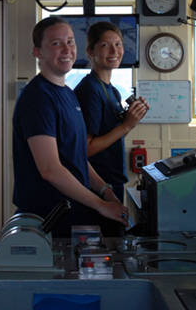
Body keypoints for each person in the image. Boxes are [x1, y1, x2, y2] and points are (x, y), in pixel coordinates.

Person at [12, 16, 128, 237]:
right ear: (38, 52)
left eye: (71, 42)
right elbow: (50, 169)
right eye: (56, 44)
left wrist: (104, 190)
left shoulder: (67, 93)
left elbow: (76, 156)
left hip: (73, 211)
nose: (67, 49)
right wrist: (101, 205)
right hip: (48, 218)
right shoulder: (38, 98)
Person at [74, 21, 149, 235]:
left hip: (112, 183)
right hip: (98, 188)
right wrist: (126, 126)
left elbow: (111, 133)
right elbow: (86, 149)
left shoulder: (112, 91)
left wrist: (131, 117)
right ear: (90, 51)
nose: (114, 51)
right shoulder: (90, 90)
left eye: (118, 44)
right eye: (106, 45)